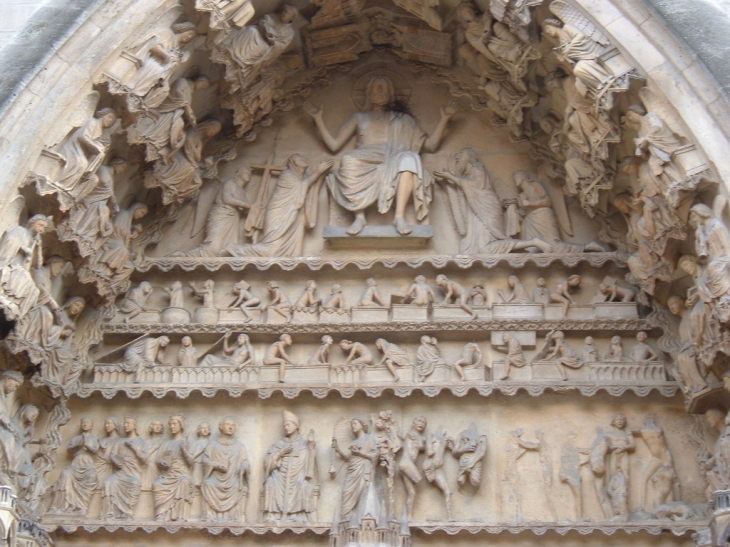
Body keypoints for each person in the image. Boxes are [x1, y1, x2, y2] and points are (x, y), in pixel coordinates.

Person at [305, 75, 457, 235]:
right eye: (376, 87)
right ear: (368, 94)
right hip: (364, 157)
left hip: (395, 156)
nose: (380, 91)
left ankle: (399, 217)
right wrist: (318, 119)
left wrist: (444, 120)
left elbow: (430, 146)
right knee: (348, 159)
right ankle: (359, 216)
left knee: (410, 159)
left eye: (383, 87)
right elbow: (334, 146)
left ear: (391, 93)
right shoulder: (359, 117)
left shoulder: (404, 120)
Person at [435, 148, 551, 254]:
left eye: (460, 156)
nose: (457, 158)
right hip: (477, 211)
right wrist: (447, 180)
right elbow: (464, 188)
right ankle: (529, 244)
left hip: (487, 210)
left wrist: (450, 177)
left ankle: (533, 242)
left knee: (485, 249)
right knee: (470, 249)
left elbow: (474, 186)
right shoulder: (467, 175)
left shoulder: (478, 169)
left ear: (467, 157)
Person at [225, 155, 333, 257]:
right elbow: (302, 185)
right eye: (299, 158)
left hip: (294, 214)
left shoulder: (303, 177)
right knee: (271, 249)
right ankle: (234, 249)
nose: (303, 159)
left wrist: (321, 174)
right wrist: (318, 171)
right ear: (293, 163)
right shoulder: (287, 174)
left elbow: (308, 186)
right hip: (279, 213)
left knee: (294, 254)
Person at [178, 166, 251, 257]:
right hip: (222, 214)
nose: (248, 174)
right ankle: (186, 256)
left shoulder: (243, 193)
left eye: (249, 173)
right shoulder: (230, 183)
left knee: (228, 249)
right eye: (245, 171)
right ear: (238, 173)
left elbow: (245, 209)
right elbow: (227, 199)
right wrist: (245, 205)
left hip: (233, 220)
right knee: (214, 247)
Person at [262, 411, 318, 522]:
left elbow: (310, 467)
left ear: (296, 426)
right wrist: (280, 453)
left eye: (288, 425)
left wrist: (311, 446)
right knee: (270, 482)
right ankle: (273, 514)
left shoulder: (304, 445)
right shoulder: (278, 444)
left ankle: (297, 514)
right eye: (284, 425)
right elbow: (267, 463)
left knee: (303, 484)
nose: (286, 427)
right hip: (280, 478)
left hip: (297, 478)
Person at [200, 417, 250, 522]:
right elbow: (205, 459)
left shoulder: (239, 446)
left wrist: (244, 466)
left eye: (233, 425)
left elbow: (245, 461)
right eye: (227, 424)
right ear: (221, 427)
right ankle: (209, 516)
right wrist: (215, 465)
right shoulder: (212, 444)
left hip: (232, 479)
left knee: (239, 486)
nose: (230, 427)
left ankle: (234, 517)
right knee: (208, 484)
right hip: (216, 478)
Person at [49, 417, 100, 514]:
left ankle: (82, 506)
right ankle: (61, 506)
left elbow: (95, 450)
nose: (85, 424)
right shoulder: (76, 438)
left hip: (87, 463)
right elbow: (69, 449)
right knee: (65, 474)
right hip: (76, 462)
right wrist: (79, 445)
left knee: (91, 476)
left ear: (91, 426)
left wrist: (87, 445)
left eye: (87, 422)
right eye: (83, 422)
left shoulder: (93, 438)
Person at [101, 416, 148, 520]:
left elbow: (144, 460)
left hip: (133, 473)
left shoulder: (141, 442)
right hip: (121, 473)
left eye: (128, 423)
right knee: (108, 482)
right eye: (124, 423)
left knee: (135, 483)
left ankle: (128, 513)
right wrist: (116, 461)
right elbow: (112, 455)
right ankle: (109, 513)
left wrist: (133, 448)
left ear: (134, 425)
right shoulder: (120, 441)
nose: (125, 425)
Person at [333, 417, 378, 518]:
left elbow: (375, 456)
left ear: (361, 425)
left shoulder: (370, 439)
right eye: (352, 424)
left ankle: (360, 518)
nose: (353, 426)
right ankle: (346, 518)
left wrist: (360, 453)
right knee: (346, 492)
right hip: (352, 471)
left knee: (363, 493)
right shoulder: (354, 442)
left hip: (363, 470)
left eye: (355, 424)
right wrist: (338, 450)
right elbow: (349, 457)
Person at [152, 415, 194, 521]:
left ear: (181, 425)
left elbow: (191, 462)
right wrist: (162, 463)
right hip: (168, 474)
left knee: (184, 482)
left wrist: (184, 450)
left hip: (181, 474)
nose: (171, 427)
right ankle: (161, 514)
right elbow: (158, 460)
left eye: (174, 424)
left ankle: (180, 515)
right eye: (170, 424)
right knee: (157, 484)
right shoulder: (166, 443)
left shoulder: (186, 441)